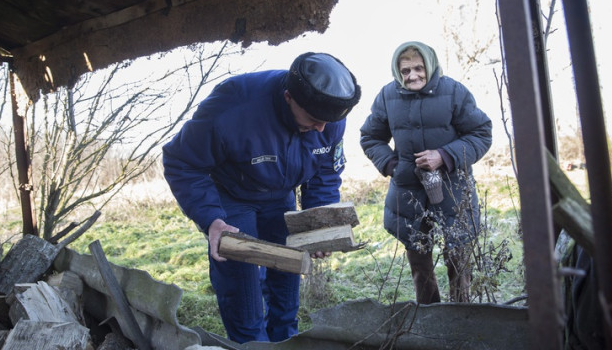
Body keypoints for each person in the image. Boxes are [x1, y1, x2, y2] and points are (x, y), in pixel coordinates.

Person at [162, 52, 361, 343]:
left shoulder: (329, 119)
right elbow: (181, 161)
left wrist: (317, 225)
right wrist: (211, 220)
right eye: (314, 120)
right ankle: (250, 344)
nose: (321, 128)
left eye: (327, 122)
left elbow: (323, 173)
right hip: (231, 198)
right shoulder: (233, 107)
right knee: (243, 293)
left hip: (280, 197)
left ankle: (284, 341)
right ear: (289, 97)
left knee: (286, 281)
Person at [359, 41, 492, 303]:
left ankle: (460, 319)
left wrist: (444, 155)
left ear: (429, 66)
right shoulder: (387, 96)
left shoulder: (453, 92)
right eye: (405, 70)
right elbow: (370, 137)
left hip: (453, 190)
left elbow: (481, 133)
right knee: (420, 266)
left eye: (418, 68)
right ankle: (429, 322)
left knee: (459, 261)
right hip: (409, 193)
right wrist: (392, 166)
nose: (412, 76)